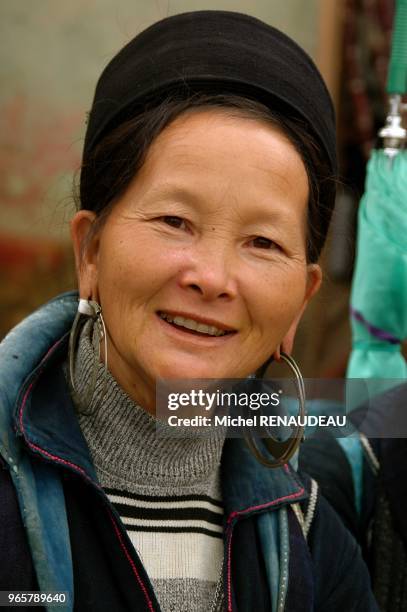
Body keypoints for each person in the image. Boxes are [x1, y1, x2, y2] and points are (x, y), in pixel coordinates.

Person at [0, 10, 378, 612]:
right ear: (90, 251)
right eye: (175, 222)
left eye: (263, 243)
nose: (212, 279)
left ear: (300, 302)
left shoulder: (309, 542)